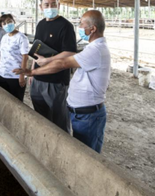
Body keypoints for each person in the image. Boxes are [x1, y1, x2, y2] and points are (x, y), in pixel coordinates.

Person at [14, 10, 110, 153]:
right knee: (80, 151)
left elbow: (62, 64)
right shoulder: (93, 48)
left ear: (93, 28)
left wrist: (32, 72)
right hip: (82, 114)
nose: (79, 26)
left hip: (88, 116)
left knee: (88, 155)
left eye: (82, 24)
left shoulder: (96, 50)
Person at [30, 0, 77, 133]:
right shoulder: (40, 25)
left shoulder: (66, 26)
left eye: (53, 4)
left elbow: (70, 52)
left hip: (56, 81)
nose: (50, 8)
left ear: (59, 4)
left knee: (59, 119)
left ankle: (63, 148)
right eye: (46, 5)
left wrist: (48, 60)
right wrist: (32, 72)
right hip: (38, 79)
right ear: (40, 7)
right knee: (40, 115)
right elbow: (35, 50)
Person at [0, 14, 29, 101]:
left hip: (15, 76)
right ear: (1, 26)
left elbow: (25, 57)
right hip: (2, 74)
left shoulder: (21, 38)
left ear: (14, 21)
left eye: (9, 22)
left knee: (16, 102)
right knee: (3, 100)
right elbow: (2, 56)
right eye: (4, 23)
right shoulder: (4, 38)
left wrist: (22, 75)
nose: (7, 25)